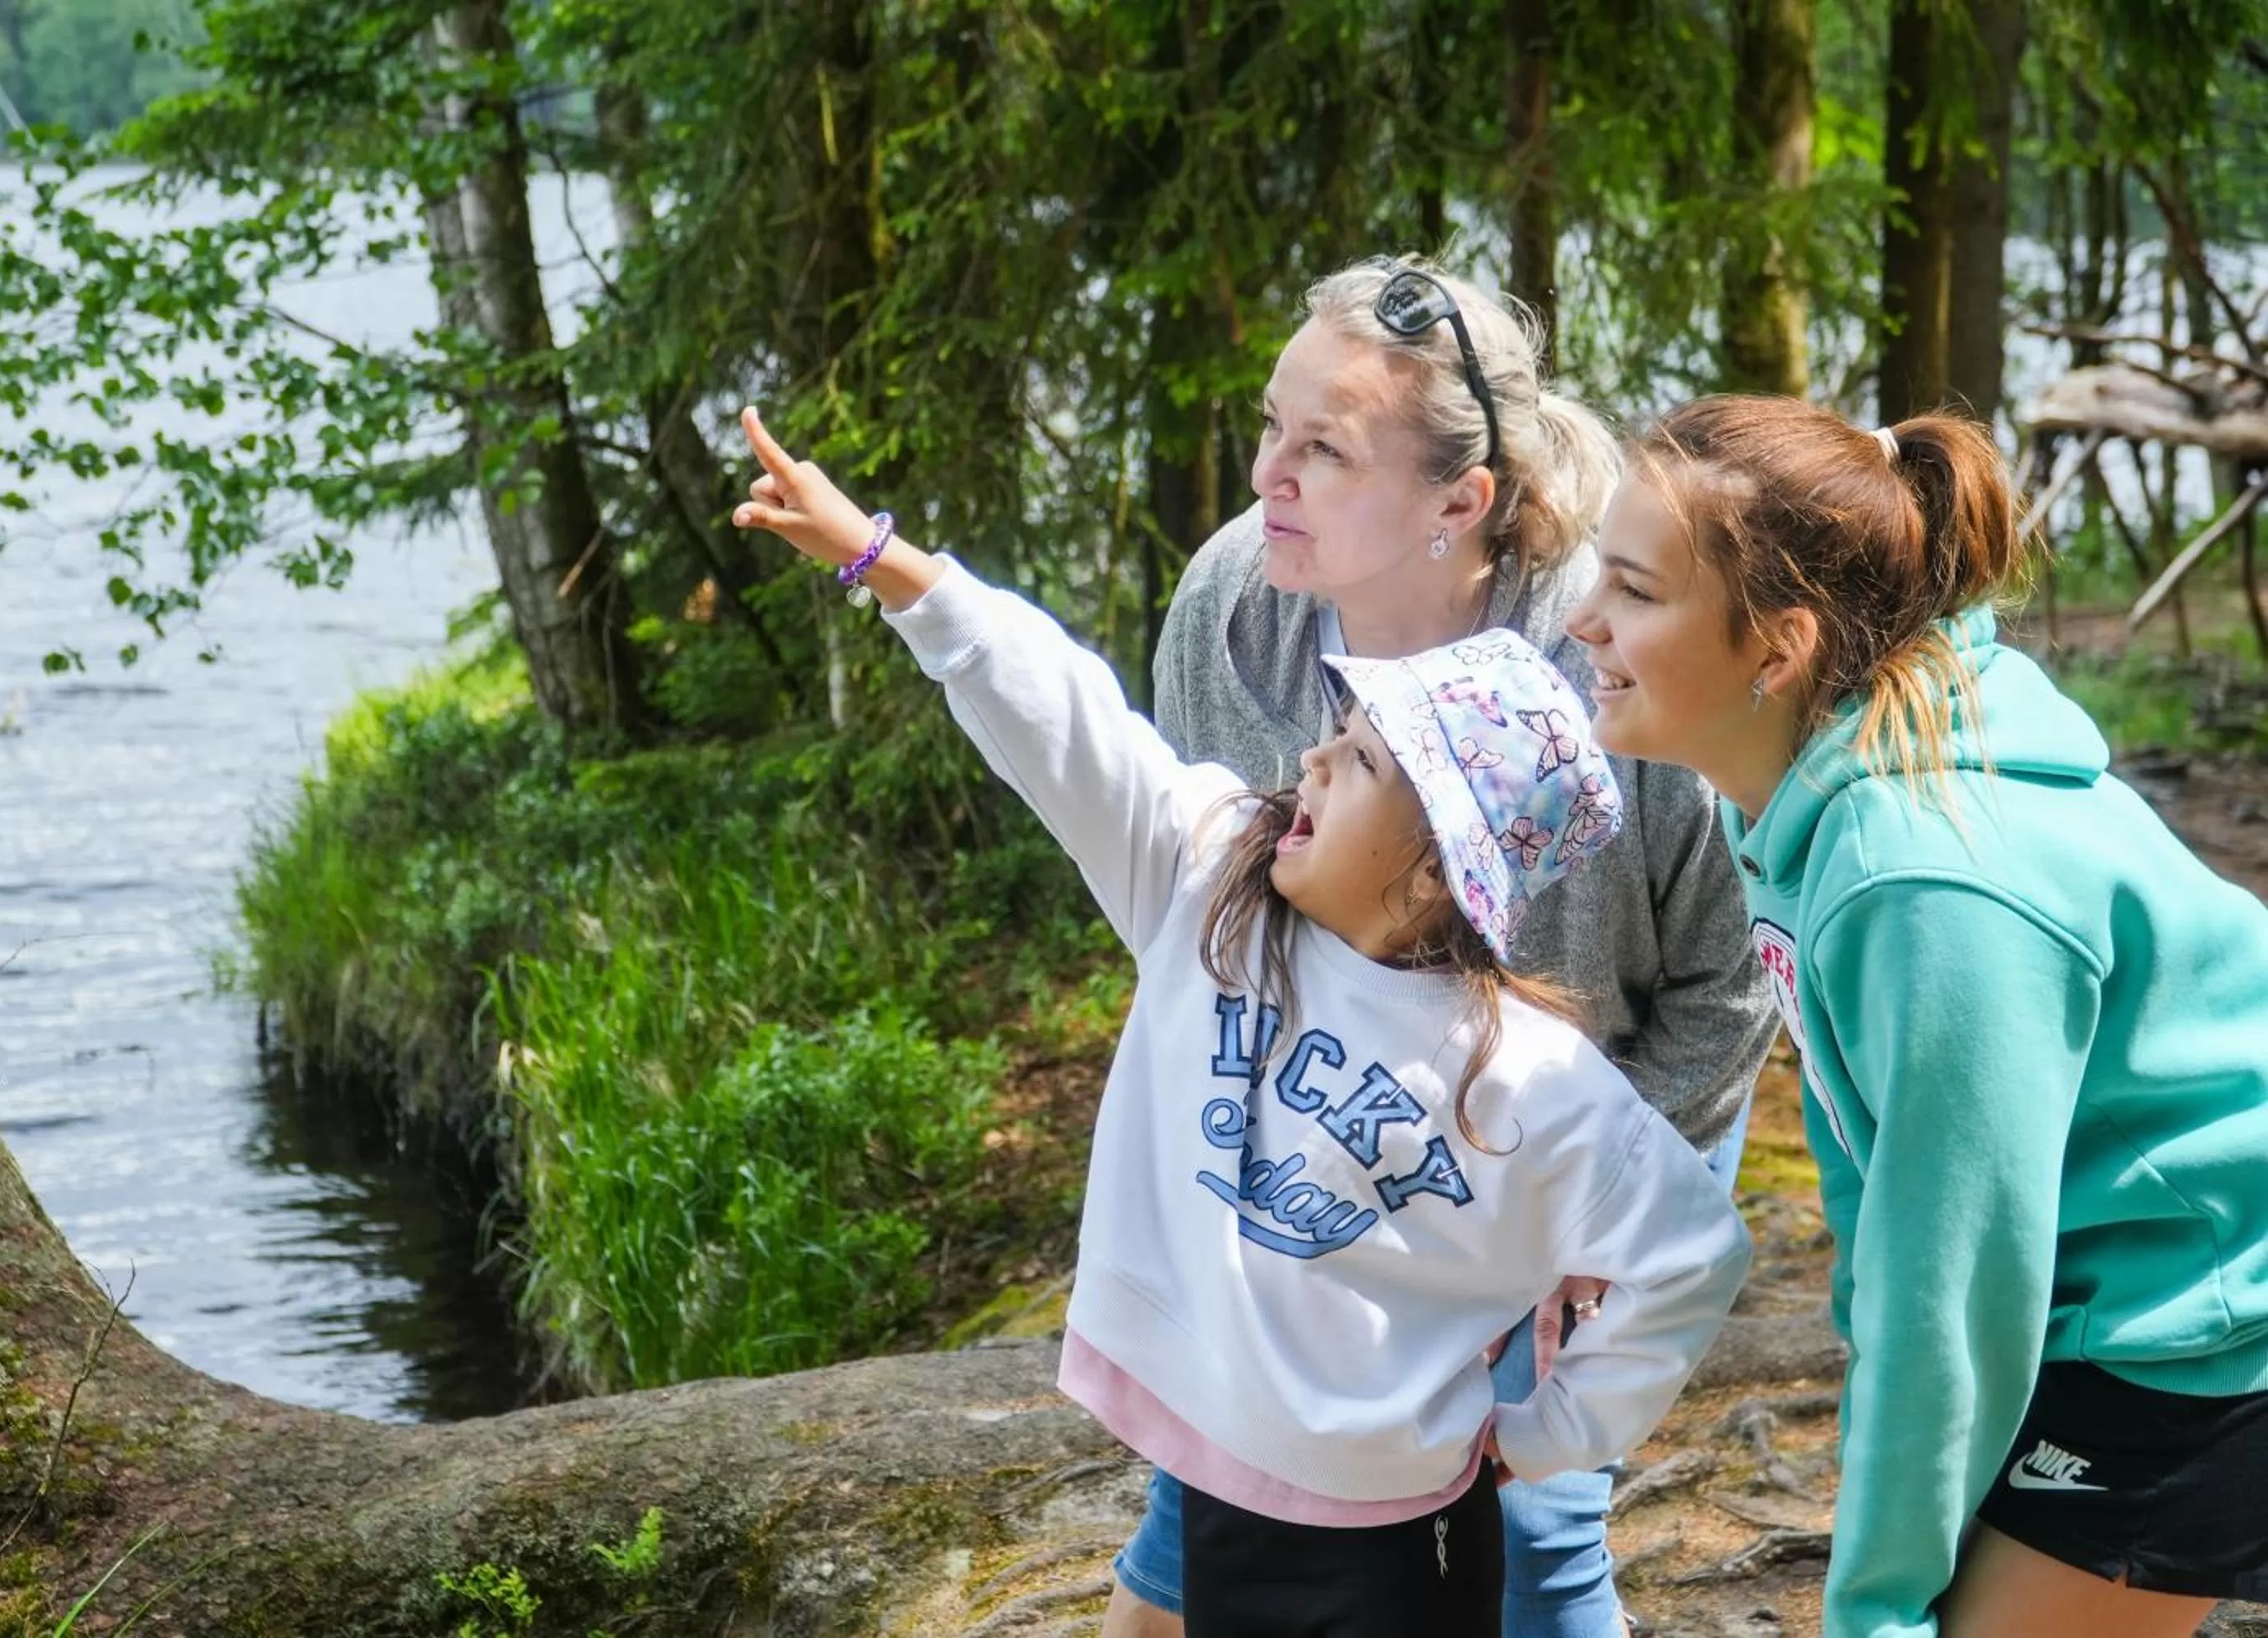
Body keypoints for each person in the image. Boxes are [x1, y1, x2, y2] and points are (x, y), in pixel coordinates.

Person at [732, 404, 1754, 1637]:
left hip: (1406, 1543)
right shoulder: (1214, 883)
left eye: (1363, 760)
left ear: (1437, 874)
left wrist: (1550, 1431)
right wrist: (889, 567)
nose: (1314, 765)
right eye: (1336, 733)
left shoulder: (1527, 1076)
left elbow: (1694, 1253)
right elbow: (1068, 722)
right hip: (1222, 1487)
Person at [1136, 253, 1780, 1636]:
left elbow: (1732, 985)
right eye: (1269, 428)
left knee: (1537, 1535)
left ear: (1461, 503)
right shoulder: (1232, 613)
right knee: (1210, 1485)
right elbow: (1202, 900)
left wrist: (1560, 1247)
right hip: (1329, 1104)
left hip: (1598, 1108)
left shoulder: (1609, 660)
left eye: (1324, 450)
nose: (1266, 478)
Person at [1563, 395, 2268, 1638]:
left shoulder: (1922, 880)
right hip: (2105, 1298)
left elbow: (1950, 1287)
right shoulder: (1788, 798)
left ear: (1776, 649)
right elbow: (1866, 1161)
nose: (1584, 620)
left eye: (1633, 590)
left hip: (2204, 1319)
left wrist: (1877, 1603)